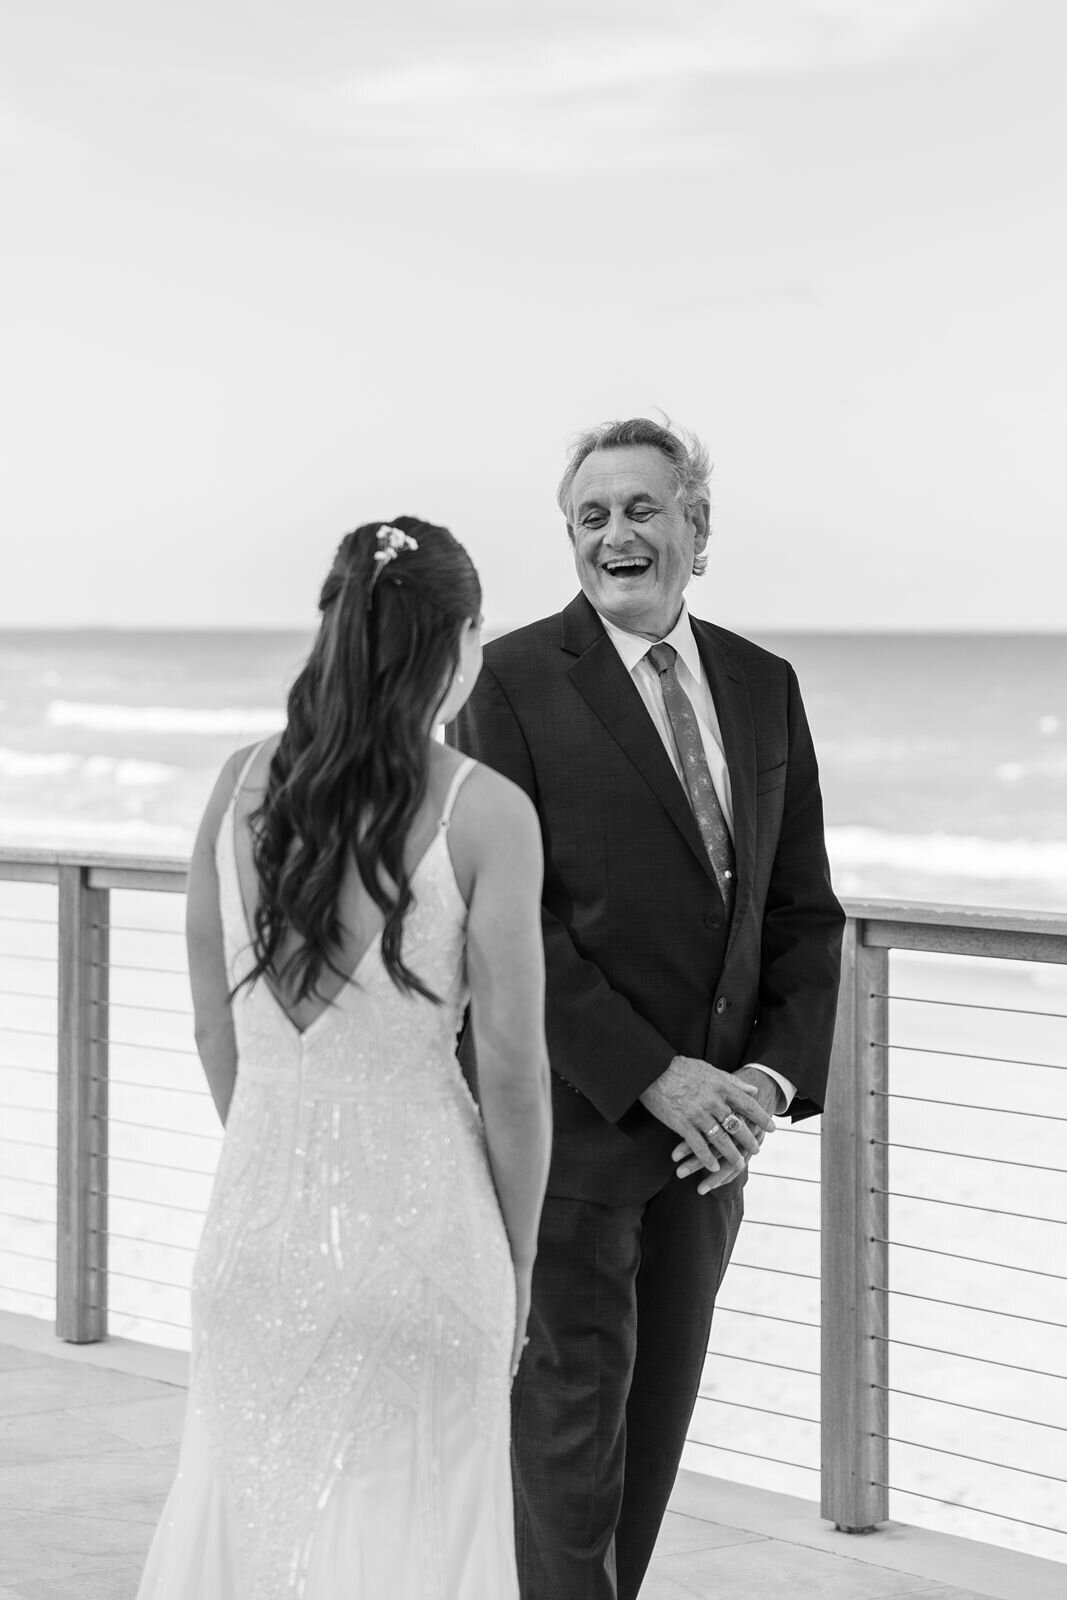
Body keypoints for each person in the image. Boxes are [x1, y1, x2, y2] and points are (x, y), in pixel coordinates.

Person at [451, 419, 844, 1600]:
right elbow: (504, 925)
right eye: (591, 516)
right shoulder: (508, 684)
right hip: (568, 1139)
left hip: (710, 1150)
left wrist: (762, 1086)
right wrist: (652, 1074)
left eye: (640, 509)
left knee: (650, 1448)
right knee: (567, 1457)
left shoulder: (762, 687)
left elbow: (802, 911)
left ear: (696, 528)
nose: (615, 535)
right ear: (569, 539)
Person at [136, 517, 551, 1599]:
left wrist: (284, 1155)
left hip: (253, 1236)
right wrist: (516, 1260)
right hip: (426, 1241)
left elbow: (213, 1032)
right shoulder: (484, 810)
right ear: (458, 639)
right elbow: (510, 1070)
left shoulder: (235, 787)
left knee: (252, 1535)